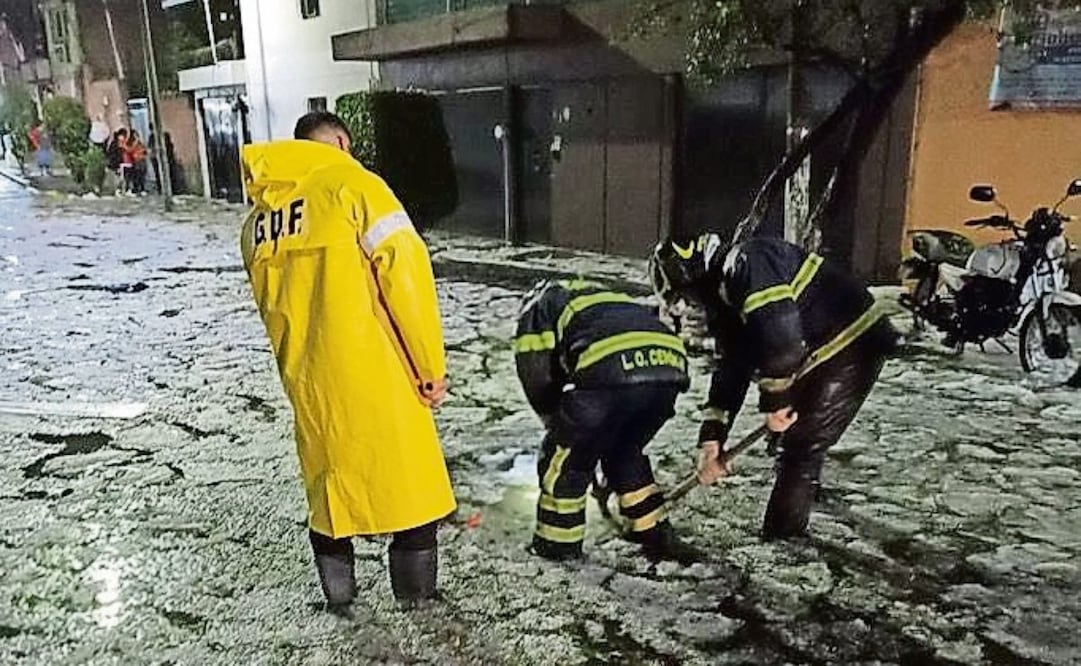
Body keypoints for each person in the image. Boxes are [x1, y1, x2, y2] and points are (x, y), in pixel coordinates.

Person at [239, 111, 456, 613]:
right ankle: (418, 606)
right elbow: (405, 271)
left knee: (330, 497)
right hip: (378, 369)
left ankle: (341, 602)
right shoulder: (354, 185)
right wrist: (429, 368)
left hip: (308, 382)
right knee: (412, 497)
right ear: (339, 142)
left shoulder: (258, 223)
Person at [647, 233, 900, 539]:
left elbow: (782, 343)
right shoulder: (727, 295)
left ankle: (784, 539)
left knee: (800, 447)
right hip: (821, 346)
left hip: (851, 341)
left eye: (685, 298)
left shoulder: (749, 262)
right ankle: (804, 494)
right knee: (795, 440)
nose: (687, 309)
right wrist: (712, 437)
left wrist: (777, 400)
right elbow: (733, 366)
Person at [514, 278, 702, 564]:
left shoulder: (537, 308)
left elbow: (536, 374)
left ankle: (556, 549)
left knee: (566, 463)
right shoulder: (605, 299)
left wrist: (559, 426)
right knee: (624, 451)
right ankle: (652, 530)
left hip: (610, 367)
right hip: (669, 369)